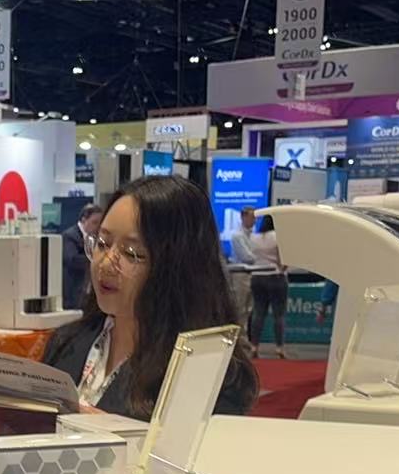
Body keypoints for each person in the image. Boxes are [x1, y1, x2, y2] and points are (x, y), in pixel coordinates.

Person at [42, 175, 257, 417]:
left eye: (132, 253)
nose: (106, 263)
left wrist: (114, 431)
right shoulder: (66, 342)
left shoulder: (206, 370)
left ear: (178, 266)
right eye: (103, 243)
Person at [242, 214, 288, 360]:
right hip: (275, 276)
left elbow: (251, 256)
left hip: (257, 276)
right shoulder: (278, 236)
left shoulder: (254, 237)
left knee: (258, 312)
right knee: (278, 314)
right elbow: (283, 258)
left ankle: (254, 346)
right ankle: (279, 348)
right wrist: (282, 269)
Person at [61, 202, 102, 310]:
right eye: (94, 222)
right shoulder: (70, 236)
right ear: (84, 220)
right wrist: (96, 260)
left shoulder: (94, 238)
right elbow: (72, 260)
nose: (97, 227)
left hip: (88, 293)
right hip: (73, 293)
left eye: (100, 223)